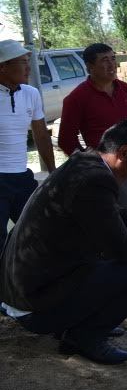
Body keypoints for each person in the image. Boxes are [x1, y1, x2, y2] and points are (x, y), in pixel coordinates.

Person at [0, 119, 127, 364]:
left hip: (23, 293)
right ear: (124, 152)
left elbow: (110, 217)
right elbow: (123, 248)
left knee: (109, 258)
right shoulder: (95, 180)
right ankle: (84, 337)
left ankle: (80, 324)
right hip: (36, 308)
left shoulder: (84, 163)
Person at [58, 42, 127, 292]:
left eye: (113, 58)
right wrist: (92, 165)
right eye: (104, 60)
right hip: (109, 170)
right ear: (89, 66)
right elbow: (66, 139)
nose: (111, 65)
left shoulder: (125, 89)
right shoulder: (77, 98)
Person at [0, 40, 56, 252]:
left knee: (39, 231)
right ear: (3, 66)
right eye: (23, 62)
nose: (28, 68)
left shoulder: (30, 93)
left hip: (21, 177)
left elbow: (41, 135)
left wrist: (53, 173)